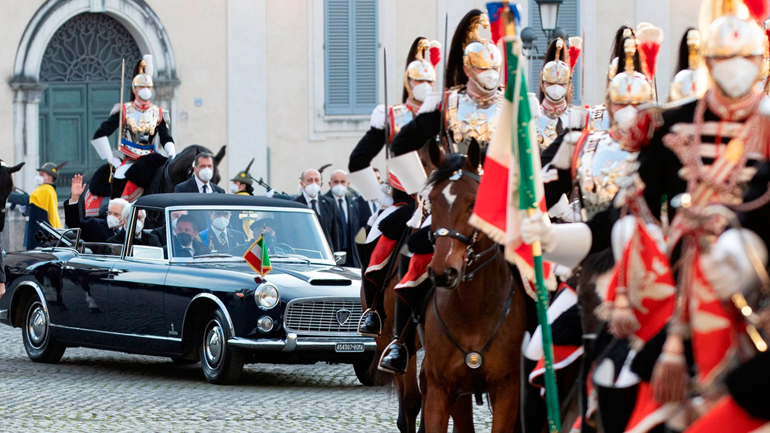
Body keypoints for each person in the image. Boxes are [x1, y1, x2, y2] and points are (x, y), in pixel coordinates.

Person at [523, 2, 770, 430]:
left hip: (761, 289)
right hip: (672, 284)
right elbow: (625, 214)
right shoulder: (668, 126)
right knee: (610, 372)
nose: (735, 68)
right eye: (725, 59)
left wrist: (751, 251)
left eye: (745, 58)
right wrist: (555, 237)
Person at [378, 9, 506, 374]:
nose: (488, 74)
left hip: (496, 199)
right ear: (468, 67)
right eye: (481, 66)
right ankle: (401, 342)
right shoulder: (445, 102)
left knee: (531, 264)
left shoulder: (510, 104)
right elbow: (401, 144)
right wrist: (427, 188)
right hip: (452, 197)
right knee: (415, 252)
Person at [348, 36, 441, 340]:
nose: (424, 84)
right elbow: (359, 159)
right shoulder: (391, 116)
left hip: (443, 197)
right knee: (387, 232)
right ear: (408, 81)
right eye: (418, 79)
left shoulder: (445, 113)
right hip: (407, 200)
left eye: (429, 79)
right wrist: (378, 195)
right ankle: (374, 308)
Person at [91, 55, 176, 200]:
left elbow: (165, 136)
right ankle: (114, 207)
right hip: (128, 155)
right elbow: (100, 134)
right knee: (120, 173)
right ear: (135, 89)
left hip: (150, 157)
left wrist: (171, 152)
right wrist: (111, 158)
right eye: (141, 87)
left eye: (148, 87)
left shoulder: (158, 113)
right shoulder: (124, 110)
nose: (145, 90)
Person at [535, 37, 581, 152]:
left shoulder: (578, 118)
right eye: (550, 83)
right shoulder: (532, 117)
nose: (556, 88)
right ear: (543, 82)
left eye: (561, 84)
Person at [64, 175, 127, 242]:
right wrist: (74, 198)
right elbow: (74, 225)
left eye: (116, 214)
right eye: (109, 213)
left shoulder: (131, 230)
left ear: (125, 216)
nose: (112, 216)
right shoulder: (96, 225)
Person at [295, 169, 341, 251]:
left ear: (320, 183)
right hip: (303, 253)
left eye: (317, 180)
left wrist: (336, 255)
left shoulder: (329, 203)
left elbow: (335, 233)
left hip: (326, 253)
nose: (314, 183)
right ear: (302, 184)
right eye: (309, 180)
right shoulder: (295, 205)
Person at [25, 161, 65, 250]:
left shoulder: (44, 190)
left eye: (41, 174)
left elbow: (29, 199)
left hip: (42, 235)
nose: (38, 177)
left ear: (49, 177)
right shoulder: (50, 190)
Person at [325, 169, 361, 267]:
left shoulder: (353, 204)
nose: (339, 185)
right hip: (332, 253)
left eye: (342, 182)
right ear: (330, 184)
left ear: (348, 183)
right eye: (336, 182)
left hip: (350, 256)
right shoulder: (324, 203)